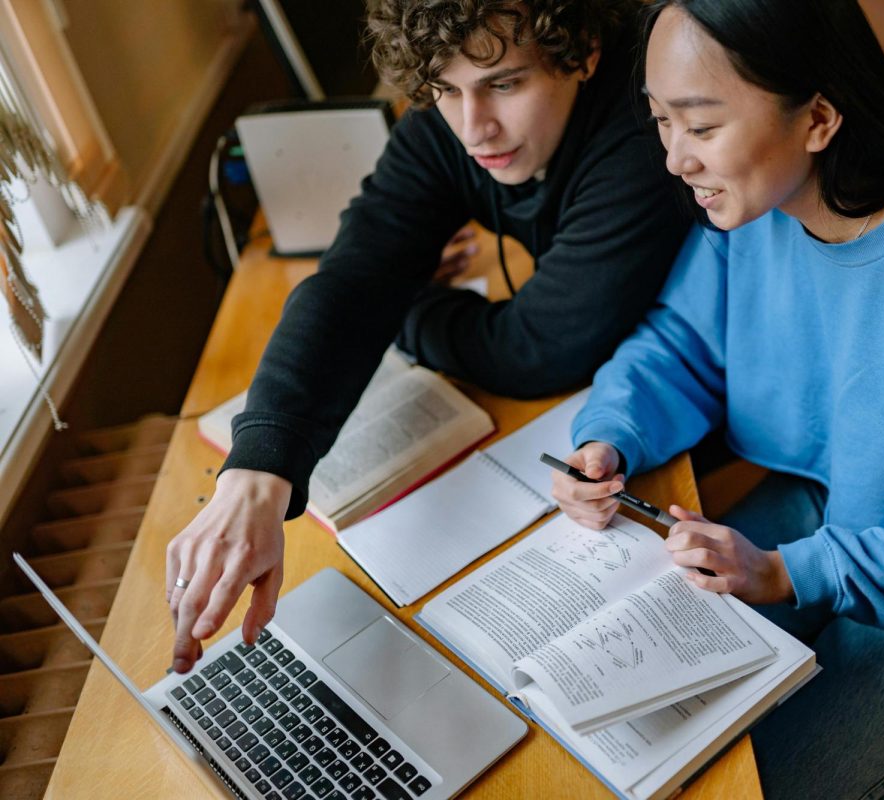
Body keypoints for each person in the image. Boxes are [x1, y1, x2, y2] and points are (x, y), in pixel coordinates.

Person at [550, 1, 884, 797]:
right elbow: (681, 345)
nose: (673, 160)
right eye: (661, 121)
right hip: (820, 509)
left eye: (700, 127)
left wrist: (787, 574)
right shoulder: (752, 211)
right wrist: (612, 434)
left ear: (820, 119)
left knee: (743, 781)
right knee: (615, 712)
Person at [165, 0, 691, 675]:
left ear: (583, 53)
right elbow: (351, 282)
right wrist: (256, 474)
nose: (475, 127)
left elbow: (535, 349)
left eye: (505, 83)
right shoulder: (455, 125)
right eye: (445, 89)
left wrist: (405, 298)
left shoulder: (642, 122)